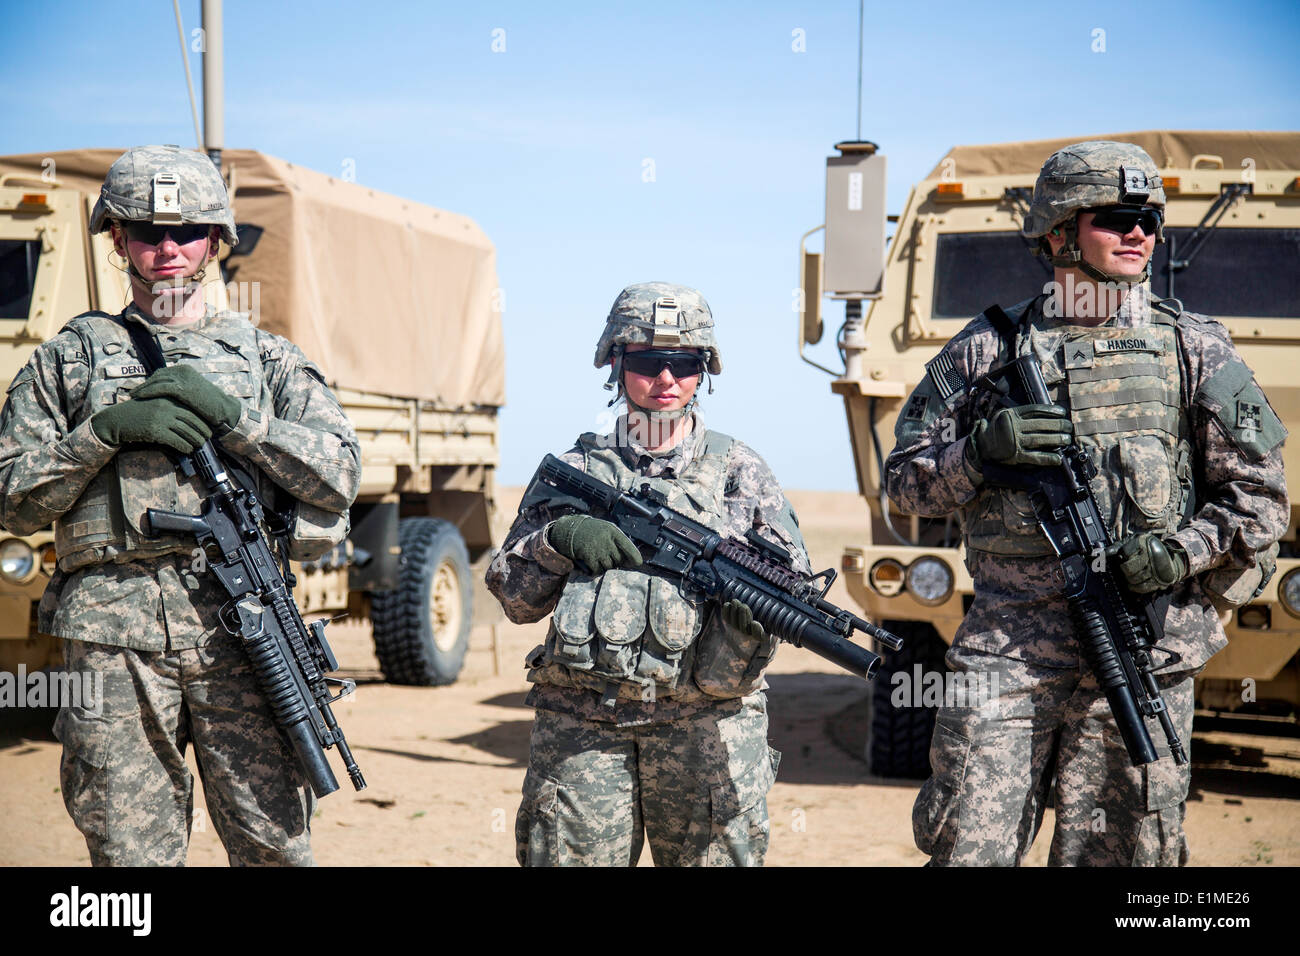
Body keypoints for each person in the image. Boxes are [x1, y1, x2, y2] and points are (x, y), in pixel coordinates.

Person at [885, 141, 1287, 866]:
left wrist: (1178, 552)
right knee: (966, 847)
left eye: (1150, 220)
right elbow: (904, 480)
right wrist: (976, 455)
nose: (1139, 233)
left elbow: (1261, 501)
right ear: (1058, 232)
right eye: (1116, 217)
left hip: (1142, 651)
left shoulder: (1194, 348)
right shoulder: (985, 351)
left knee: (1126, 858)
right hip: (1011, 651)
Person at [0, 145, 361, 866]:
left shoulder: (268, 362)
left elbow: (340, 475)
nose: (167, 249)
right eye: (145, 232)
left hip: (246, 631)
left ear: (216, 241)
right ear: (116, 240)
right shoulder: (68, 360)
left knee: (275, 846)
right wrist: (99, 436)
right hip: (112, 635)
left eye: (187, 231)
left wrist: (240, 421)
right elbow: (13, 500)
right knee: (129, 852)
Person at [486, 282, 809, 866]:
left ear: (703, 370)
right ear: (615, 363)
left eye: (684, 364)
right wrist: (558, 542)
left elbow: (796, 589)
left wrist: (753, 609)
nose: (666, 380)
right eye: (646, 363)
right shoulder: (577, 471)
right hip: (585, 726)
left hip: (706, 726)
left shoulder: (741, 472)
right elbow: (513, 596)